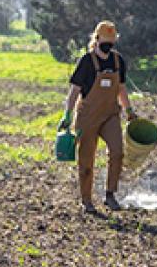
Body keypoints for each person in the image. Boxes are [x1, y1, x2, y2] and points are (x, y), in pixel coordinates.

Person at [59, 21, 137, 213]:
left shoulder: (118, 61)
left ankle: (110, 194)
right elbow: (74, 91)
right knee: (86, 160)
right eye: (105, 39)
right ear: (97, 38)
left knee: (117, 152)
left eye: (112, 40)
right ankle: (86, 200)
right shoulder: (87, 61)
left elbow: (121, 89)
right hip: (88, 117)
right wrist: (68, 114)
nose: (109, 43)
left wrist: (129, 111)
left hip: (110, 114)